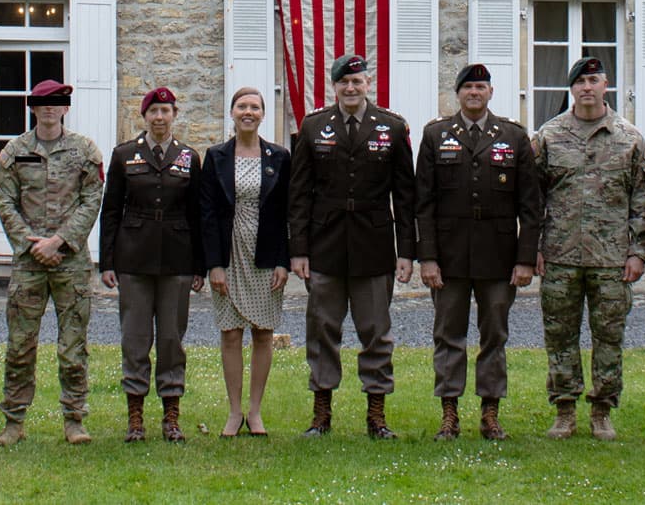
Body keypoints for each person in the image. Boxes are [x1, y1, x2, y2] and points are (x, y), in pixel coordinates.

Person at [288, 53, 417, 438]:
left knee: (376, 331)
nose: (350, 88)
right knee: (323, 329)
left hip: (374, 246)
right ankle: (321, 414)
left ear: (367, 84)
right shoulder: (314, 127)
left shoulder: (391, 128)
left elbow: (405, 196)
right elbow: (299, 195)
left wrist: (406, 251)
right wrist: (298, 250)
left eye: (357, 82)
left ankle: (376, 415)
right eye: (343, 82)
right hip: (326, 245)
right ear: (334, 86)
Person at [414, 62, 542, 441]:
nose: (474, 93)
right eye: (468, 87)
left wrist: (524, 258)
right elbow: (424, 203)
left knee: (494, 336)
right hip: (449, 258)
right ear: (458, 93)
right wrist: (428, 258)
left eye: (481, 87)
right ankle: (449, 412)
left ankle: (490, 412)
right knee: (448, 335)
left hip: (499, 257)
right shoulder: (436, 135)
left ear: (491, 93)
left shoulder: (514, 137)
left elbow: (530, 205)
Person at [531, 55, 645, 442]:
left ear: (606, 86)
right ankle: (565, 410)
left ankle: (602, 411)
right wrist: (532, 248)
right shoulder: (548, 137)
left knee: (609, 338)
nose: (587, 88)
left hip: (611, 259)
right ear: (572, 89)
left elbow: (643, 200)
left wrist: (638, 252)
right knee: (560, 336)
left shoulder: (629, 138)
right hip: (560, 254)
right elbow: (532, 199)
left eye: (594, 80)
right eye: (580, 82)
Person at [0, 79, 104, 447]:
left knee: (73, 345)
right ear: (33, 108)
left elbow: (92, 200)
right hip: (29, 263)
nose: (50, 109)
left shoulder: (85, 151)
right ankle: (13, 421)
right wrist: (30, 243)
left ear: (66, 108)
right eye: (43, 103)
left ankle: (74, 419)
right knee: (20, 344)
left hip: (70, 261)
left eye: (57, 103)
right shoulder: (13, 152)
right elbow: (4, 201)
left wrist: (60, 240)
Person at [98, 86, 206, 442]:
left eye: (166, 111)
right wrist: (107, 262)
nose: (160, 118)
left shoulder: (189, 157)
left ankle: (171, 416)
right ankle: (135, 417)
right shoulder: (125, 155)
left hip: (177, 258)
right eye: (153, 112)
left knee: (173, 339)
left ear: (175, 115)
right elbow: (111, 210)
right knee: (135, 337)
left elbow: (198, 214)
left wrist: (199, 266)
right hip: (135, 258)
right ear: (143, 116)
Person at [198, 85, 292, 437]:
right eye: (242, 106)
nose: (248, 112)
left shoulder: (279, 157)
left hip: (265, 252)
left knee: (263, 333)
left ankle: (255, 411)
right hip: (228, 251)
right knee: (230, 334)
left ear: (262, 114)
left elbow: (287, 212)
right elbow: (206, 213)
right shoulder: (216, 156)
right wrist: (214, 265)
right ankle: (234, 411)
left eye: (254, 107)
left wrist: (284, 260)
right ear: (233, 113)